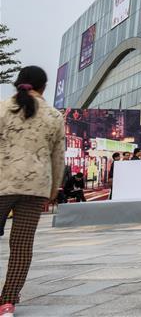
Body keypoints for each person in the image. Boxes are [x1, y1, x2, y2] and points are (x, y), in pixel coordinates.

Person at [0, 66, 66, 316]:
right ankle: (7, 302)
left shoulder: (2, 108)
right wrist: (53, 189)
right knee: (21, 245)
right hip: (35, 188)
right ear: (43, 87)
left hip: (2, 183)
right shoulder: (54, 116)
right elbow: (57, 156)